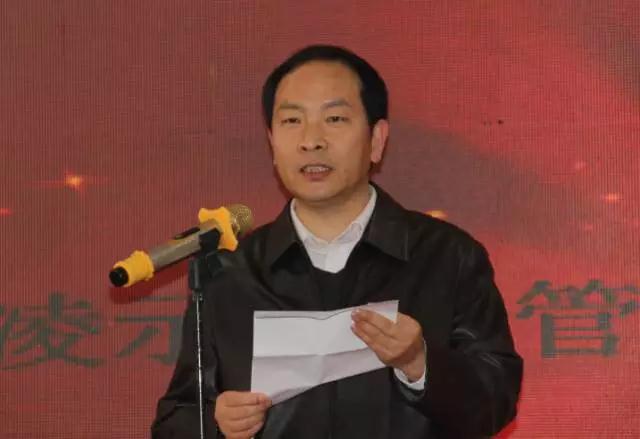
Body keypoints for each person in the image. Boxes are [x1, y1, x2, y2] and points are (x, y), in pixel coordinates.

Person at [151, 44, 523, 439]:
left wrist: (420, 363)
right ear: (272, 142)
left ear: (376, 139)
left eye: (334, 118)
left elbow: (495, 403)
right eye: (292, 120)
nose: (311, 140)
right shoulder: (230, 272)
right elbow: (175, 420)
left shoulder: (447, 256)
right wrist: (215, 424)